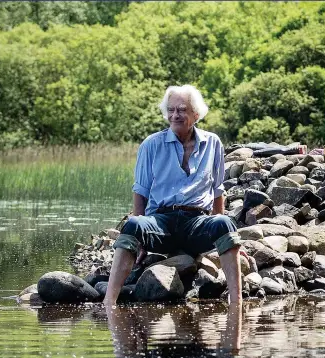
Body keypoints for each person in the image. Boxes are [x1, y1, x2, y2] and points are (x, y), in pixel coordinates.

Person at [103, 84, 242, 306]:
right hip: (161, 223)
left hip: (197, 223)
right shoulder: (151, 145)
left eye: (181, 110)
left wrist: (228, 243)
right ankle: (109, 302)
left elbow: (218, 191)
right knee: (134, 224)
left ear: (196, 114)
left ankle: (237, 302)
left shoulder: (213, 143)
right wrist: (139, 242)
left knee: (225, 223)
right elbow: (140, 191)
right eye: (171, 110)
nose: (174, 115)